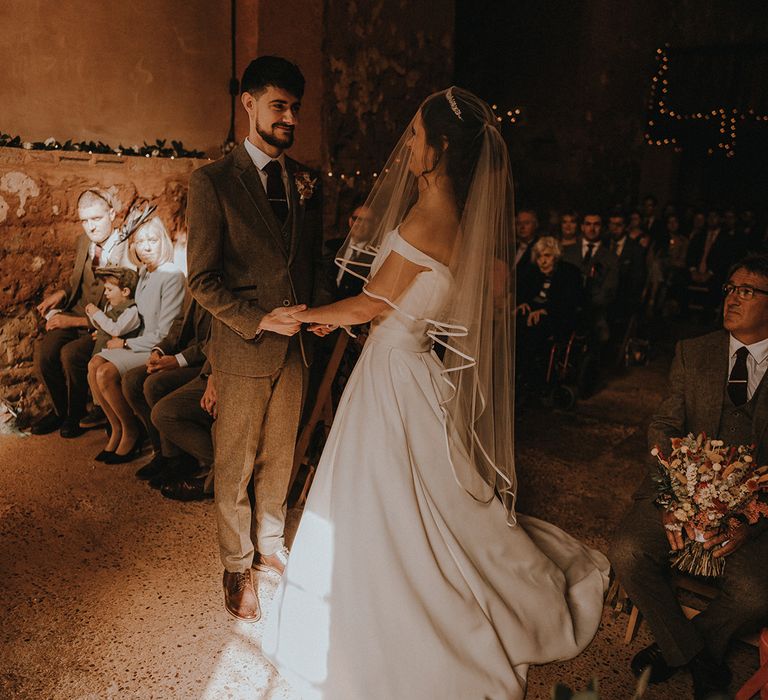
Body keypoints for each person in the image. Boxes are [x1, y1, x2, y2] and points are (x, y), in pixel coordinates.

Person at [262, 87, 609, 700]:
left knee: (387, 492)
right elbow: (389, 305)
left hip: (394, 372)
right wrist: (337, 317)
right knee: (418, 494)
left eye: (418, 136)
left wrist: (306, 312)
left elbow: (373, 302)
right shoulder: (450, 211)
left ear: (442, 147)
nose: (410, 144)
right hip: (409, 364)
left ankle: (382, 598)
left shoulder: (429, 216)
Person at [186, 55, 327, 622]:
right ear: (248, 104)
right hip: (244, 347)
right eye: (279, 106)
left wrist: (318, 312)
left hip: (295, 350)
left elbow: (309, 261)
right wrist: (260, 319)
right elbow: (201, 280)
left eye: (295, 108)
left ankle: (270, 545)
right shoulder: (213, 182)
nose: (290, 117)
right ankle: (234, 563)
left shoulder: (305, 181)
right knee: (236, 461)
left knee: (279, 455)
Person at [609, 254, 768, 700]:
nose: (733, 298)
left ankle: (678, 648)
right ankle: (697, 658)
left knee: (758, 592)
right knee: (627, 551)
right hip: (679, 492)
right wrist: (676, 497)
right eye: (730, 288)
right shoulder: (693, 351)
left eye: (748, 291)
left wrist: (749, 520)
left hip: (753, 511)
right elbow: (663, 427)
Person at [32, 189, 134, 437]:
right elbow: (78, 281)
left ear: (112, 213)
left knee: (70, 355)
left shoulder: (127, 250)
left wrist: (76, 322)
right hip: (77, 312)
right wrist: (63, 294)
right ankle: (60, 411)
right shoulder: (84, 242)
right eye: (85, 221)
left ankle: (75, 416)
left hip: (103, 322)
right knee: (44, 353)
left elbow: (126, 305)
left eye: (96, 219)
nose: (90, 227)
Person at [88, 218, 185, 463]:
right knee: (93, 365)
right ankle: (117, 427)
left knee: (105, 373)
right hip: (137, 341)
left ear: (163, 241)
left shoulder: (171, 274)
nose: (146, 247)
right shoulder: (144, 272)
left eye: (152, 240)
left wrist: (126, 344)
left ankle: (131, 430)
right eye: (140, 242)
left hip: (154, 347)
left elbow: (166, 332)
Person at [122, 293, 211, 485]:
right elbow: (179, 324)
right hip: (183, 355)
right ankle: (160, 452)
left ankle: (178, 458)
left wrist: (178, 361)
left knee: (155, 384)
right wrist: (159, 351)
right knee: (132, 380)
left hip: (207, 362)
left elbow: (217, 342)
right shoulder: (195, 281)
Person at [516, 236, 583, 392]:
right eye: (539, 257)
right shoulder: (533, 272)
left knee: (532, 330)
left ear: (556, 256)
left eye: (547, 256)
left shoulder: (570, 273)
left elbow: (571, 303)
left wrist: (546, 310)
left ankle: (532, 380)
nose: (543, 261)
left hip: (559, 317)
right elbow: (523, 292)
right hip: (532, 314)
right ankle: (516, 374)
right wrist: (522, 302)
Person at [85, 267, 141, 354]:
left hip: (117, 352)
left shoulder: (131, 311)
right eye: (105, 289)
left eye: (109, 290)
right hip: (102, 348)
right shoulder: (110, 306)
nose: (105, 293)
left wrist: (97, 314)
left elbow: (115, 330)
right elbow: (103, 324)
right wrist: (91, 315)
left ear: (125, 292)